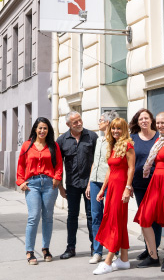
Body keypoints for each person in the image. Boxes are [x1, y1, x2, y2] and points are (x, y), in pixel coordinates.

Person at [133, 112, 164, 272]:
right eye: (158, 123)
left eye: (163, 123)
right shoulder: (158, 141)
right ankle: (153, 256)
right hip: (155, 182)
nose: (160, 125)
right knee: (145, 218)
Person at [16, 117, 63, 265]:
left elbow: (59, 164)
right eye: (40, 128)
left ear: (48, 130)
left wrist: (57, 178)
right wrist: (20, 182)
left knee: (48, 217)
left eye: (45, 128)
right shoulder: (27, 145)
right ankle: (29, 251)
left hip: (49, 184)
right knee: (34, 216)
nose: (42, 131)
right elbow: (21, 165)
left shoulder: (53, 146)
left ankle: (45, 248)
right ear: (35, 129)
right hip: (33, 185)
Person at [92, 117, 135, 275]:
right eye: (114, 128)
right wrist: (103, 189)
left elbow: (131, 168)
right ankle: (124, 259)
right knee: (118, 222)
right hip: (112, 188)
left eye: (119, 128)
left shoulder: (128, 146)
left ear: (124, 130)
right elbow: (110, 170)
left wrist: (127, 188)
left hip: (121, 187)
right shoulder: (113, 145)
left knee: (115, 222)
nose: (116, 131)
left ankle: (108, 261)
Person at [56, 111, 96, 259]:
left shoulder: (92, 137)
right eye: (75, 122)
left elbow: (97, 161)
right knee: (72, 216)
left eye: (80, 120)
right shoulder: (62, 140)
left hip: (90, 184)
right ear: (68, 125)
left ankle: (95, 247)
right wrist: (60, 187)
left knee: (92, 216)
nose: (79, 123)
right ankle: (70, 248)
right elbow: (58, 165)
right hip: (72, 184)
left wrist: (93, 183)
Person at [129, 108, 162, 261]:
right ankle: (148, 249)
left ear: (151, 120)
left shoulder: (159, 137)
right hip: (139, 184)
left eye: (146, 118)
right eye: (141, 119)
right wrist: (128, 184)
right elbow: (129, 163)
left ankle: (154, 252)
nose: (144, 121)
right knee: (144, 219)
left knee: (155, 219)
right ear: (137, 122)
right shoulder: (133, 138)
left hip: (156, 183)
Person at [86, 110, 119, 264]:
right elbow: (95, 162)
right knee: (96, 216)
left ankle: (114, 250)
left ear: (107, 122)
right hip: (95, 181)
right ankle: (97, 251)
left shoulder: (115, 141)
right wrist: (89, 183)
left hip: (110, 182)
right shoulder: (99, 140)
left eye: (100, 120)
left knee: (111, 217)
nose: (98, 123)